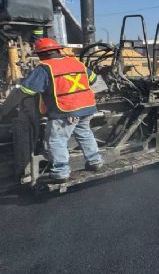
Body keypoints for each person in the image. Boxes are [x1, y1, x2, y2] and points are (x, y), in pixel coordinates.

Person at [0, 38, 103, 183]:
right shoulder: (76, 62)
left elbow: (26, 90)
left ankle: (61, 172)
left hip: (66, 111)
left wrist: (4, 110)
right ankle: (95, 161)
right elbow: (92, 79)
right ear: (58, 50)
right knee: (85, 133)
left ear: (41, 54)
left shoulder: (44, 68)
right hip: (87, 107)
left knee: (56, 140)